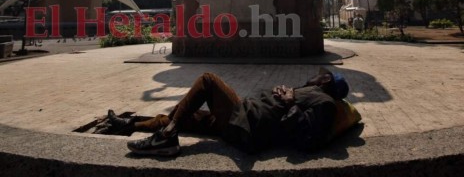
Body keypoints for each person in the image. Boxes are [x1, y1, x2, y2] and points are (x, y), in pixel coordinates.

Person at [110, 68, 349, 156]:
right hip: (243, 117)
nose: (313, 76)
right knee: (184, 114)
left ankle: (166, 138)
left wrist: (288, 102)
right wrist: (284, 96)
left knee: (208, 80)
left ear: (325, 80)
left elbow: (307, 140)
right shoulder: (310, 94)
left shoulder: (324, 102)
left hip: (247, 125)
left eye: (319, 74)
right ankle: (130, 126)